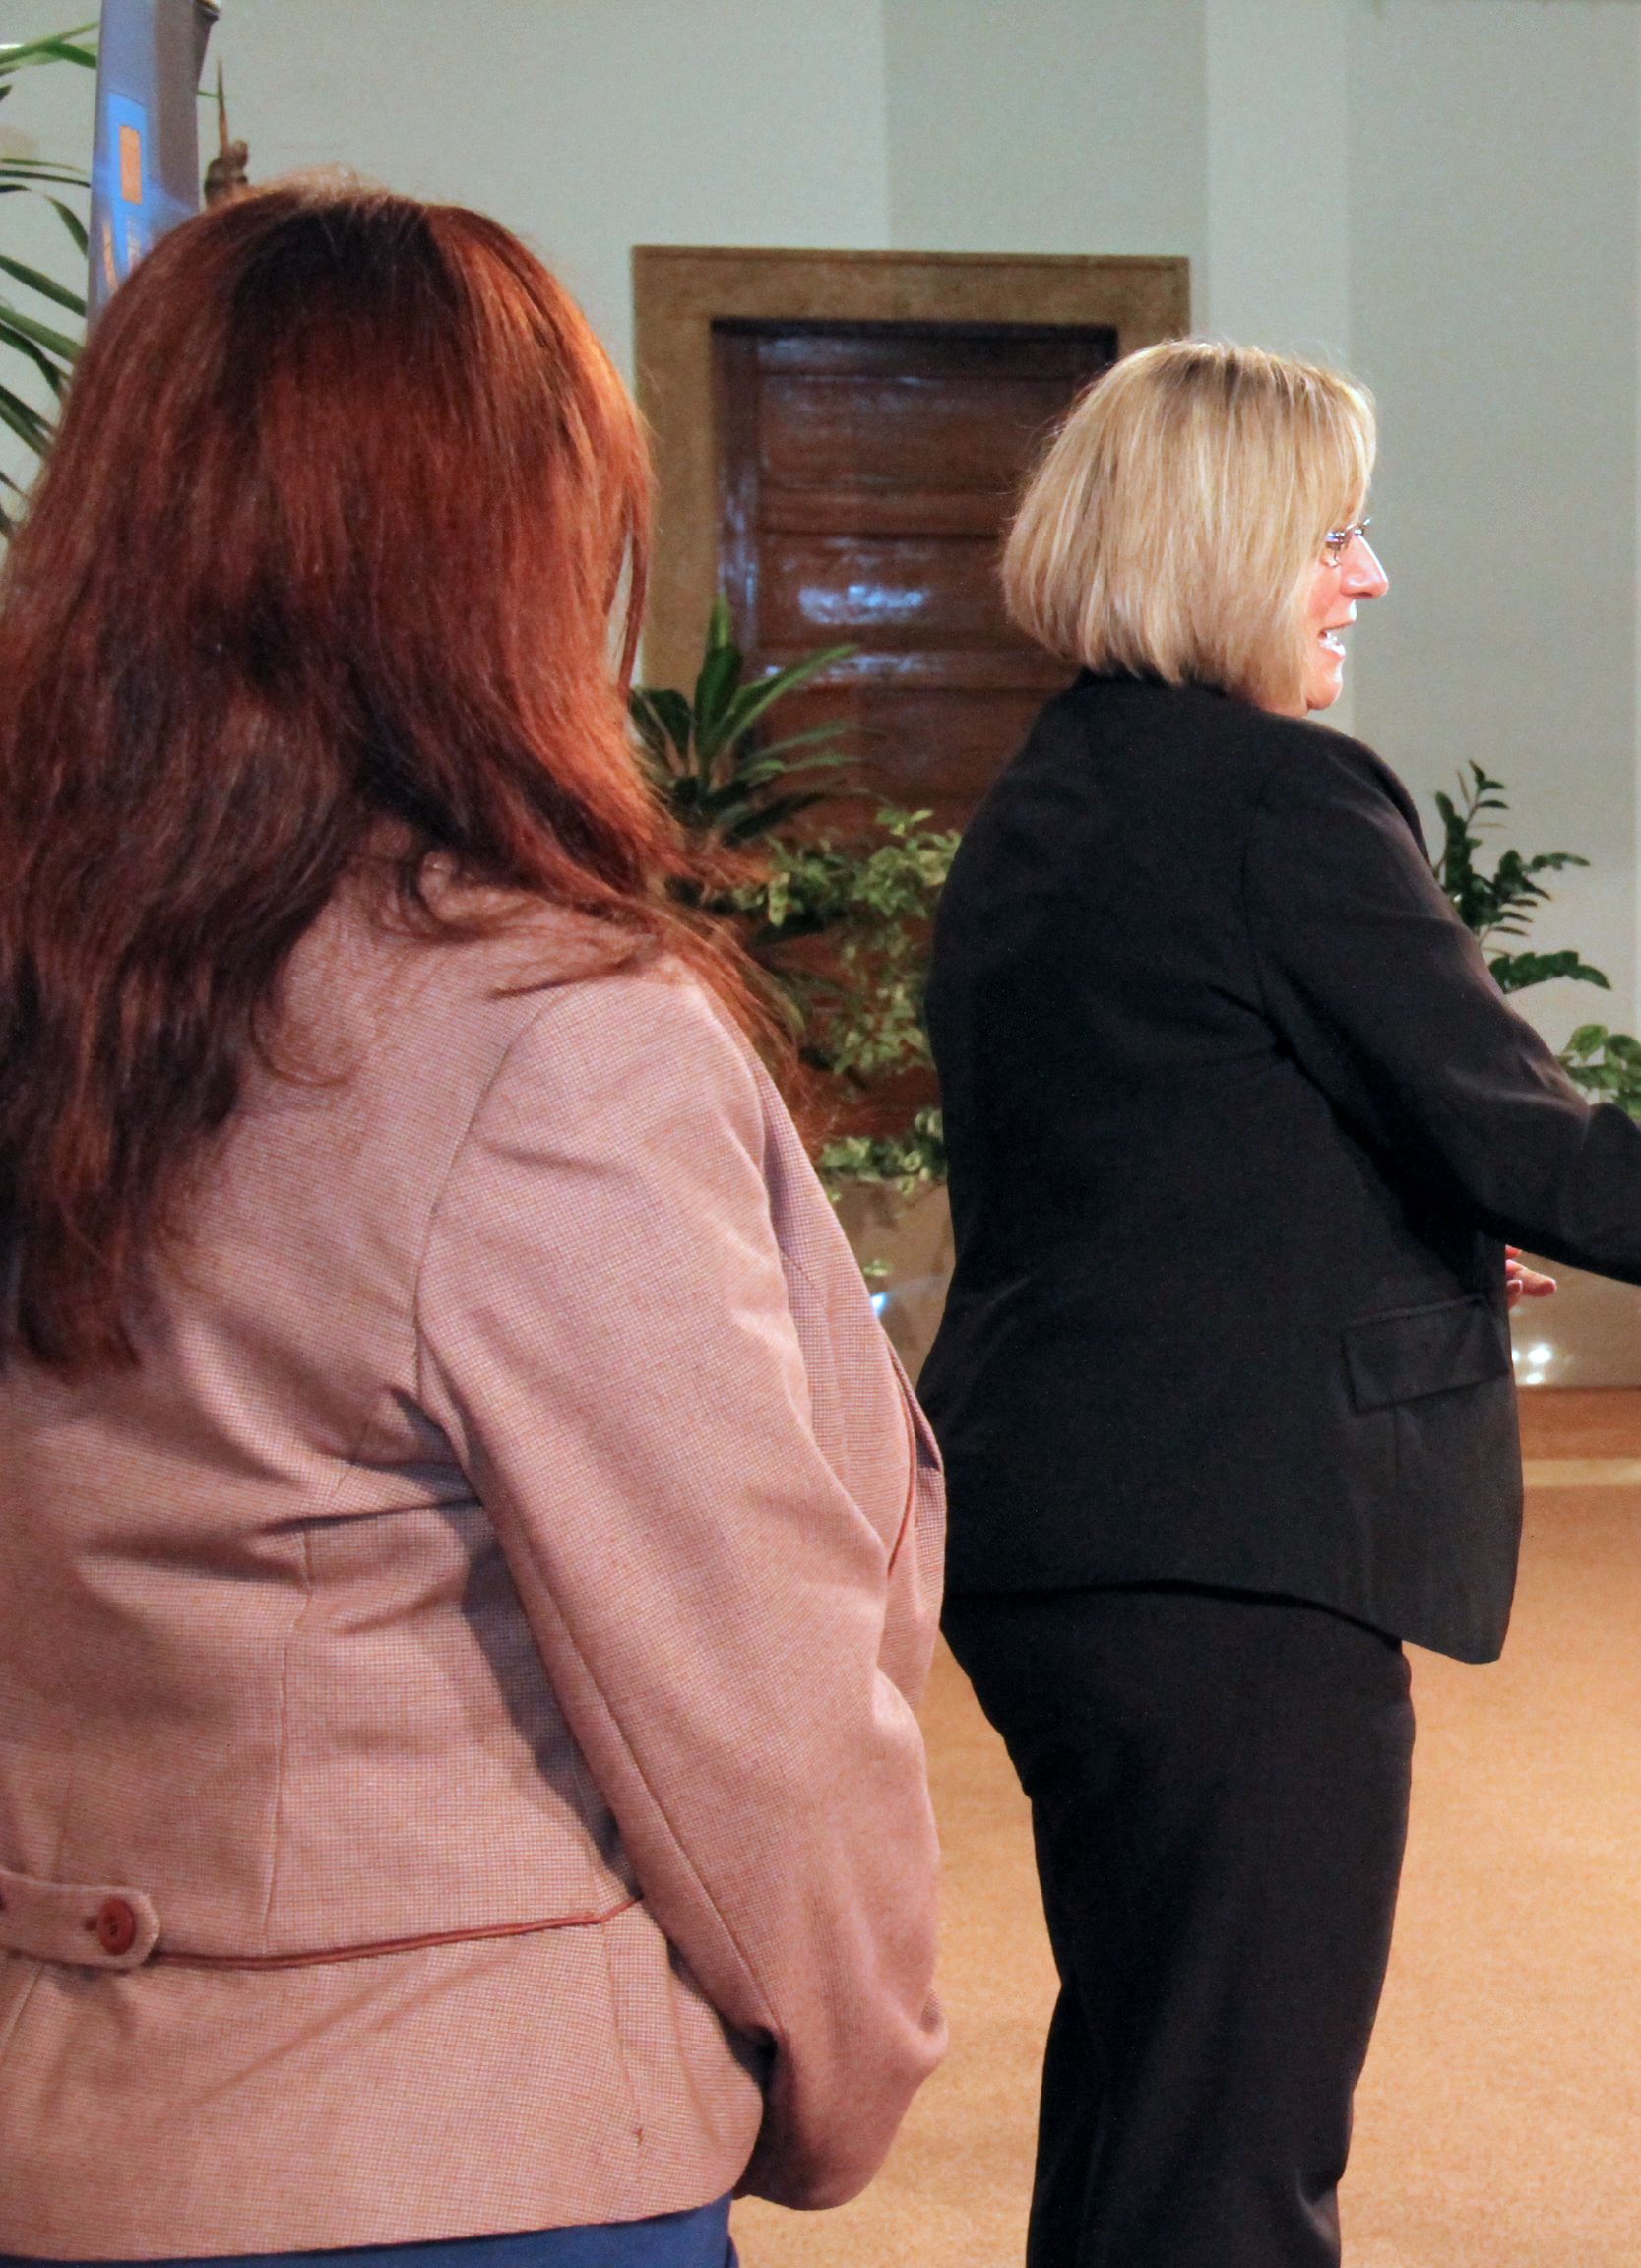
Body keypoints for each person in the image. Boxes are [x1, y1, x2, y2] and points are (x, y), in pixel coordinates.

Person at [920, 337, 1641, 2268]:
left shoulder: (1054, 792)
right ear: (1218, 548)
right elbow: (1534, 1143)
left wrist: (1375, 1220)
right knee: (1234, 2158)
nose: (1370, 574)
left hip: (1067, 1528)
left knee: (1146, 2103)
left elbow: (1154, 1141)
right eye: (1331, 534)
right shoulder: (1278, 799)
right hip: (1233, 1550)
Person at [0, 180, 948, 2263]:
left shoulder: (58, 978)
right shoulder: (533, 1042)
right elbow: (748, 1714)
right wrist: (849, 2068)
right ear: (501, 560)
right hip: (455, 2156)